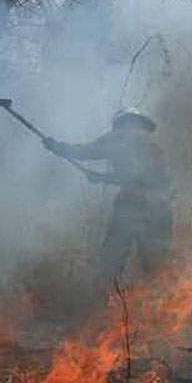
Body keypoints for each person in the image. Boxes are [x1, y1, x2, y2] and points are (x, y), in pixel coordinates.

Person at [41, 108, 173, 287]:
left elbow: (86, 152)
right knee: (155, 265)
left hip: (132, 205)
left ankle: (98, 304)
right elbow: (148, 178)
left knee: (110, 260)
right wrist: (102, 177)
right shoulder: (154, 145)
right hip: (161, 209)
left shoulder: (118, 137)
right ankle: (158, 306)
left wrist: (57, 147)